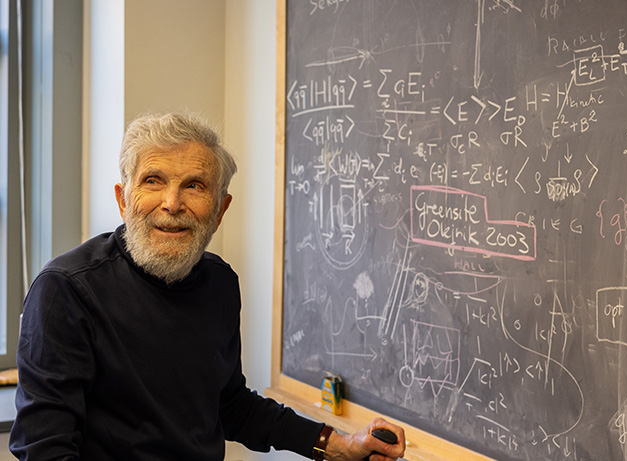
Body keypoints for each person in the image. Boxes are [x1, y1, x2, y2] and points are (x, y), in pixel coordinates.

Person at [10, 112, 406, 461]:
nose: (172, 203)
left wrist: (337, 444)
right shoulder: (65, 291)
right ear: (123, 199)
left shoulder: (219, 282)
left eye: (195, 186)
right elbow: (45, 449)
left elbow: (229, 405)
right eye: (153, 180)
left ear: (220, 210)